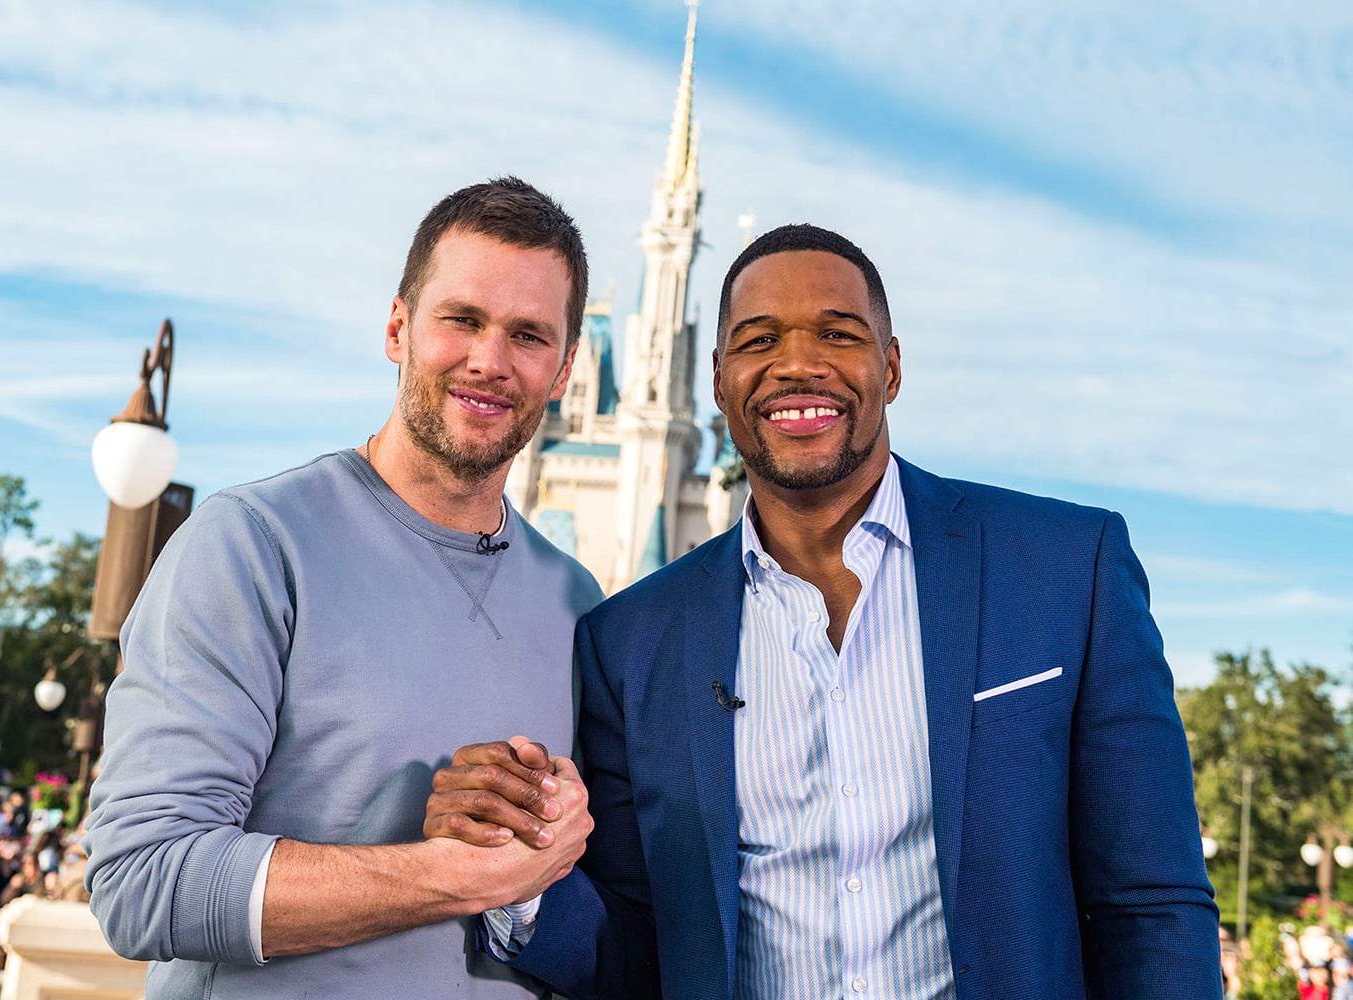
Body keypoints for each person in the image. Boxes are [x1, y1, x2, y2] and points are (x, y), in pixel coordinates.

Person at [428, 223, 1222, 997]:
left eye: (838, 335)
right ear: (716, 378)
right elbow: (645, 947)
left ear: (893, 365)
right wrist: (515, 872)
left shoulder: (1063, 569)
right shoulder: (631, 641)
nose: (797, 365)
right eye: (759, 339)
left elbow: (1152, 906)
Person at [84, 176, 602, 998]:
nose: (489, 360)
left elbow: (589, 930)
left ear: (566, 367)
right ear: (398, 327)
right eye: (461, 319)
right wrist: (455, 875)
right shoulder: (254, 545)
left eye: (529, 335)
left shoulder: (582, 604)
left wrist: (533, 871)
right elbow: (143, 880)